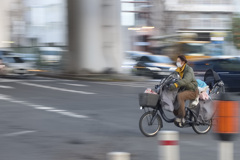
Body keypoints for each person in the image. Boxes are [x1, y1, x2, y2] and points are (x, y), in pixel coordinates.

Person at [169, 55, 198, 126]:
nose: (177, 63)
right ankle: (177, 115)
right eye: (177, 61)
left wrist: (176, 85)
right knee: (173, 98)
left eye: (179, 61)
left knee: (180, 96)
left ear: (183, 62)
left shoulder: (189, 70)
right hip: (185, 89)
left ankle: (182, 116)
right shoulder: (179, 69)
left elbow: (186, 81)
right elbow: (171, 76)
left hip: (193, 90)